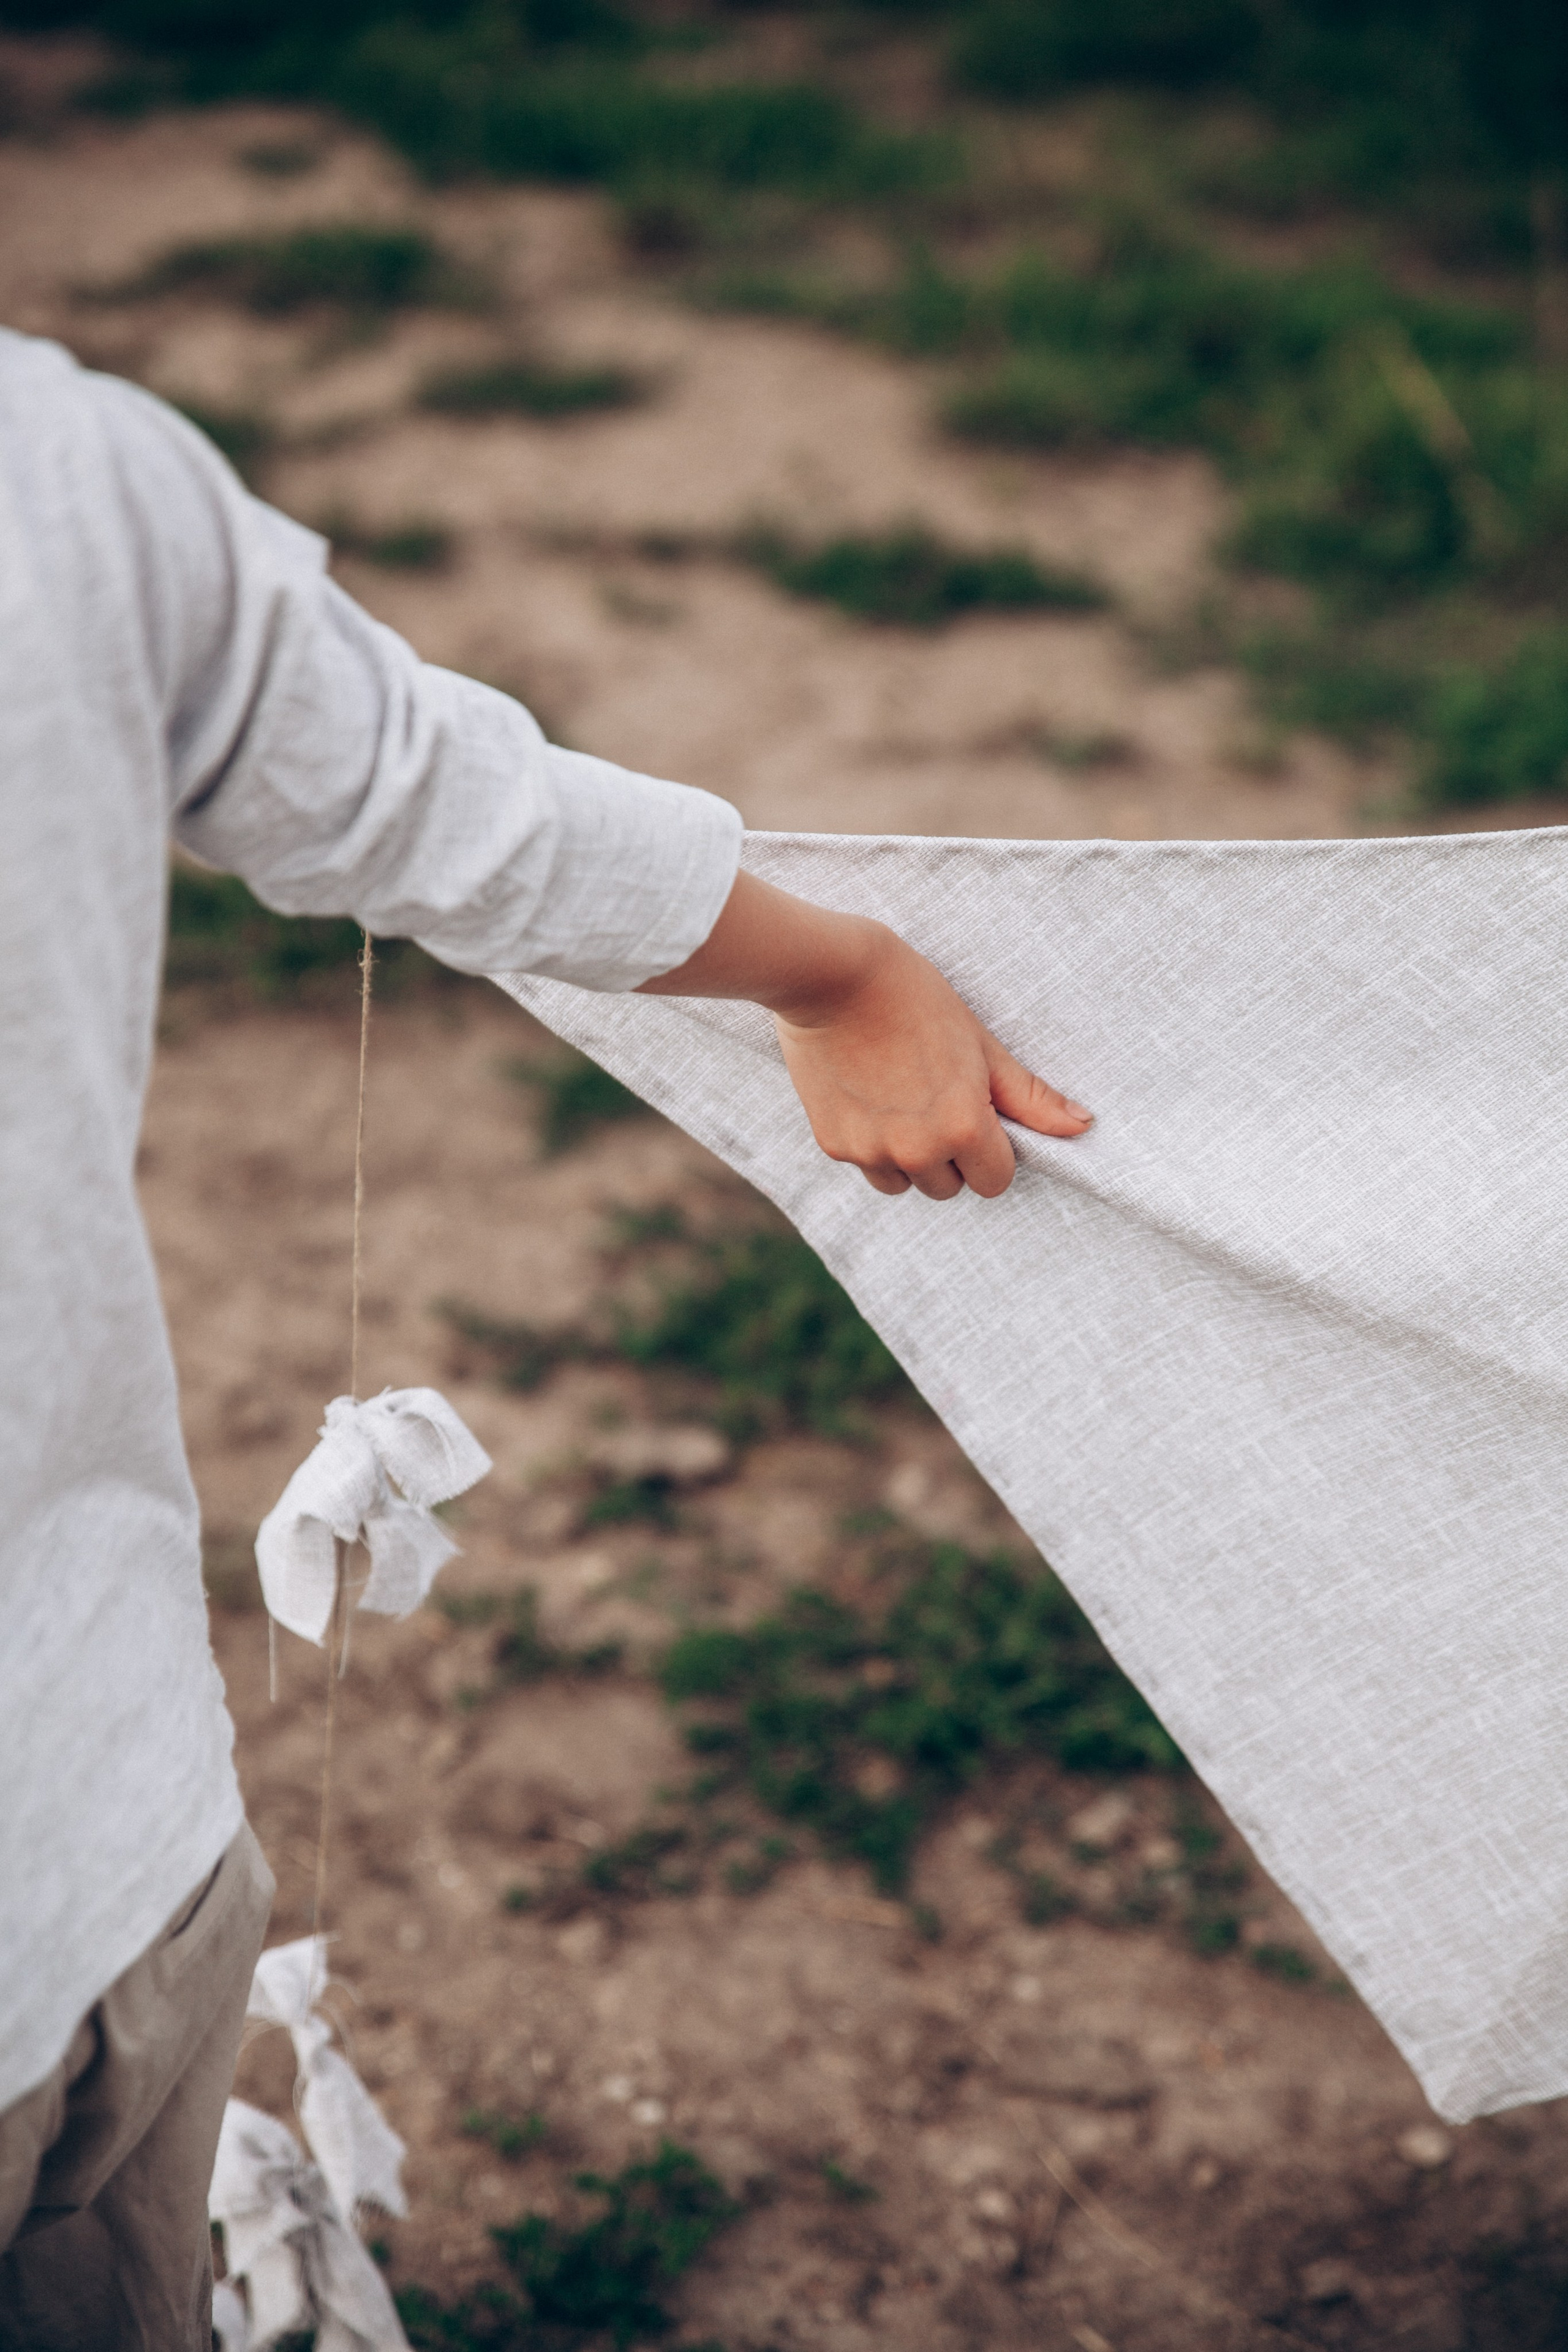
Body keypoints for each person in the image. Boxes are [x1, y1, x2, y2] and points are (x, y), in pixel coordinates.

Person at [0, 323, 1091, 2349]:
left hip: (112, 1853)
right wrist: (833, 970)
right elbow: (431, 801)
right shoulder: (58, 471)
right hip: (112, 1852)